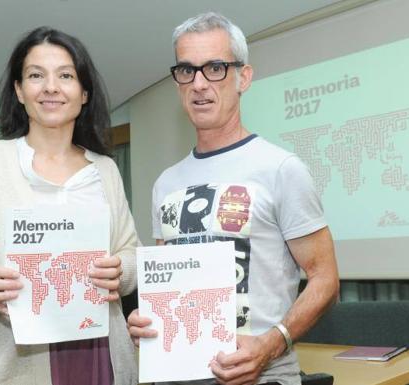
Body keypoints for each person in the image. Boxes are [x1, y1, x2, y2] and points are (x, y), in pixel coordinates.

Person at [127, 12, 340, 385]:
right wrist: (147, 320)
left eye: (215, 68)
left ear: (243, 77)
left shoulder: (281, 169)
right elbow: (167, 285)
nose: (198, 84)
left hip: (265, 378)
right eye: (186, 70)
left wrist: (272, 344)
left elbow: (325, 280)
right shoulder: (165, 184)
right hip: (179, 376)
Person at [0, 27, 138, 385]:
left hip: (98, 354)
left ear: (84, 93)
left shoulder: (105, 170)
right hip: (10, 363)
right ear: (19, 91)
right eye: (36, 75)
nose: (51, 87)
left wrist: (121, 271)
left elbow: (131, 252)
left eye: (66, 76)